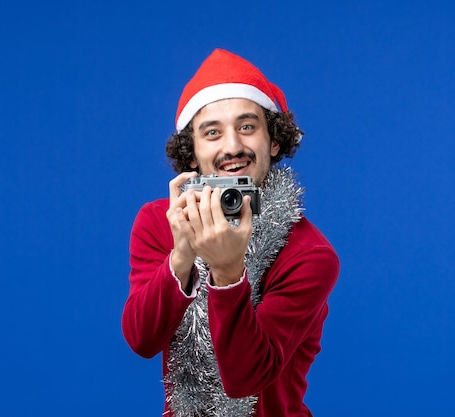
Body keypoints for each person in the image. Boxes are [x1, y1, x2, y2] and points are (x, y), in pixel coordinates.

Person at [122, 48, 340, 417]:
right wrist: (182, 256)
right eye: (212, 132)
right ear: (191, 153)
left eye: (247, 126)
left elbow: (245, 378)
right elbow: (142, 340)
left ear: (273, 141)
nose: (232, 146)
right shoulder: (159, 221)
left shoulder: (310, 254)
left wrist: (226, 275)